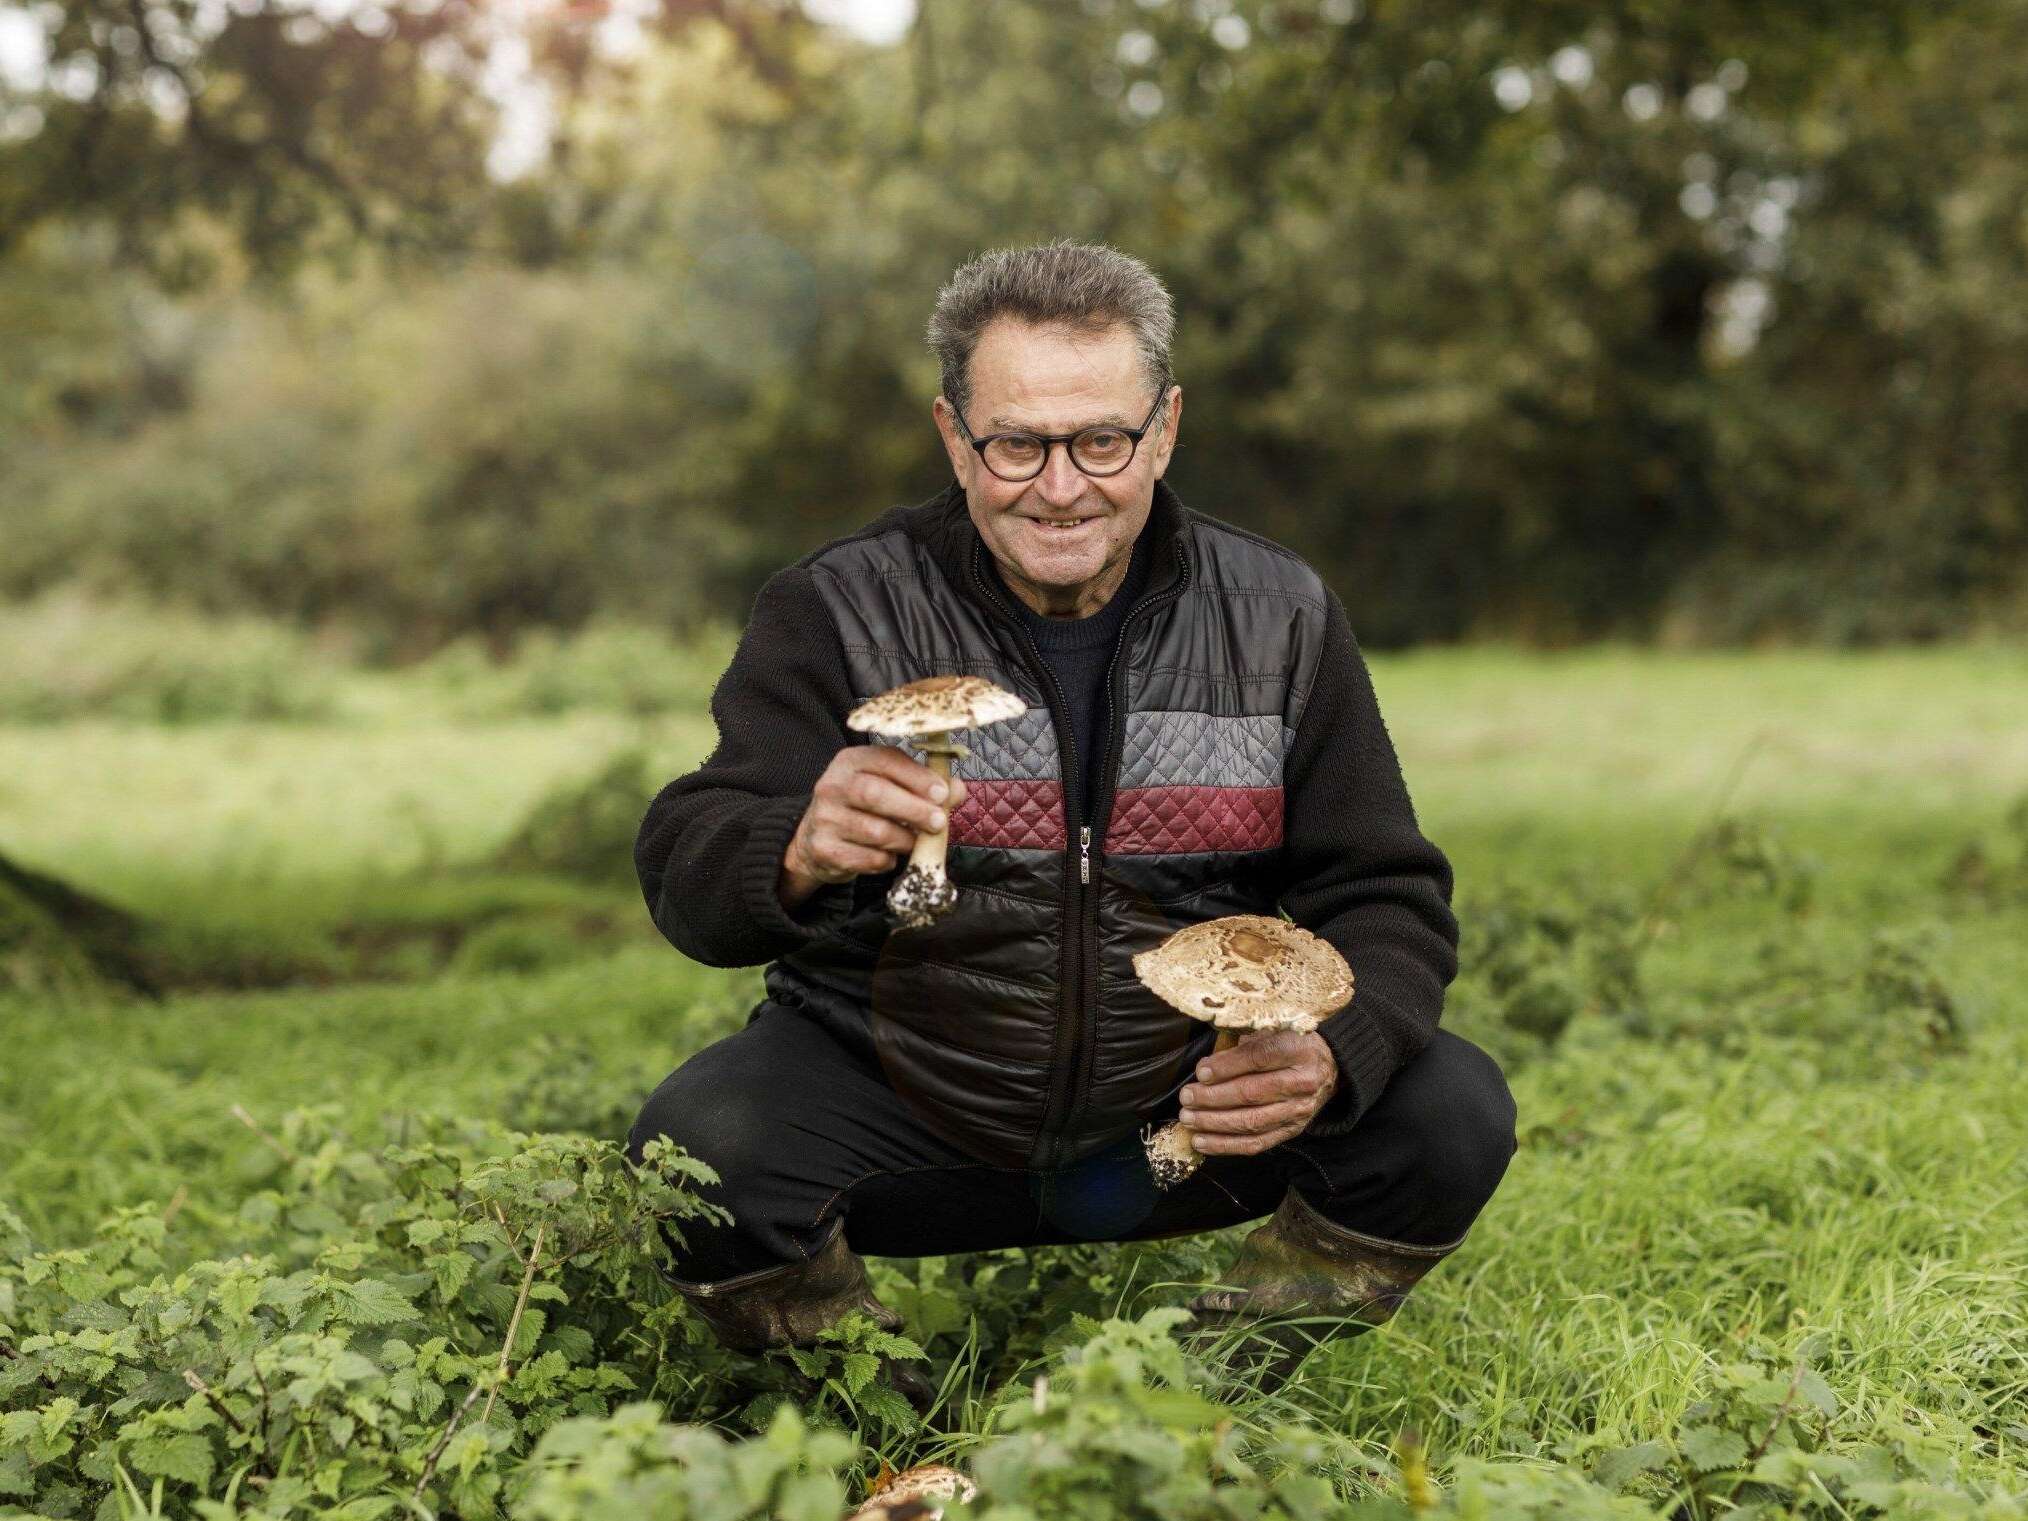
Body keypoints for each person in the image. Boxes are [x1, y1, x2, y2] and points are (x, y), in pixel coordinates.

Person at [627, 240, 1516, 1401]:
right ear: (954, 438)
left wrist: (1329, 1058)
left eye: (1102, 440)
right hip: (904, 1095)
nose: (1062, 486)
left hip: (1179, 1121)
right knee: (699, 1149)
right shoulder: (836, 605)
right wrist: (789, 847)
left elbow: (1386, 895)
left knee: (1447, 1108)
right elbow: (692, 854)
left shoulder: (1281, 616)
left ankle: (1194, 1404)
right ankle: (888, 1425)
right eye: (1016, 444)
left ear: (1165, 429)